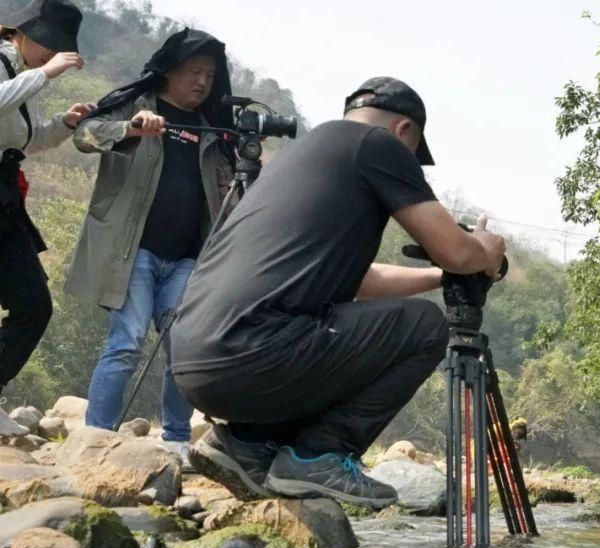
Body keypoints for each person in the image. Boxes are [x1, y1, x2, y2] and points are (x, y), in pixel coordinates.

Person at [170, 77, 506, 509]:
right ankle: (319, 455)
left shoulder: (304, 155)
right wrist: (485, 253)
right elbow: (458, 252)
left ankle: (244, 442)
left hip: (199, 362)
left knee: (336, 323)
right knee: (425, 327)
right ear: (404, 131)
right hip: (253, 355)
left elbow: (364, 283)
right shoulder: (378, 145)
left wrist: (441, 278)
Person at [65, 29, 234, 466]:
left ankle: (177, 441)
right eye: (194, 71)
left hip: (186, 259)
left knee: (181, 346)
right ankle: (97, 439)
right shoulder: (141, 108)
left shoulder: (211, 129)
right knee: (126, 341)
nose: (202, 82)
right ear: (169, 72)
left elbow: (226, 190)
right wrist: (131, 128)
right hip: (133, 251)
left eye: (210, 75)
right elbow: (85, 135)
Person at [0, 0, 89, 437]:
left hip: (5, 196)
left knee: (34, 304)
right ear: (26, 34)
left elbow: (26, 143)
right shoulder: (4, 63)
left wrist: (64, 124)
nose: (50, 56)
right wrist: (46, 74)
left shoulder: (26, 80)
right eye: (48, 48)